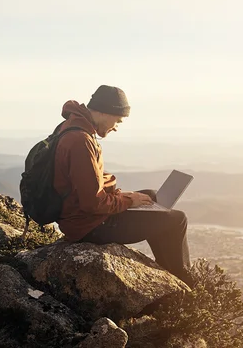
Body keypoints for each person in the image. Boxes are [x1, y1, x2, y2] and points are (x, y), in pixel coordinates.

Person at [53, 84, 193, 286]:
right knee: (177, 219)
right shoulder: (81, 141)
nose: (116, 126)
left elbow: (89, 184)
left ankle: (167, 270)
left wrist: (122, 196)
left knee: (151, 197)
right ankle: (183, 283)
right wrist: (127, 200)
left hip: (80, 216)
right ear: (104, 111)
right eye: (117, 120)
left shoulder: (74, 128)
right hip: (89, 225)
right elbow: (92, 204)